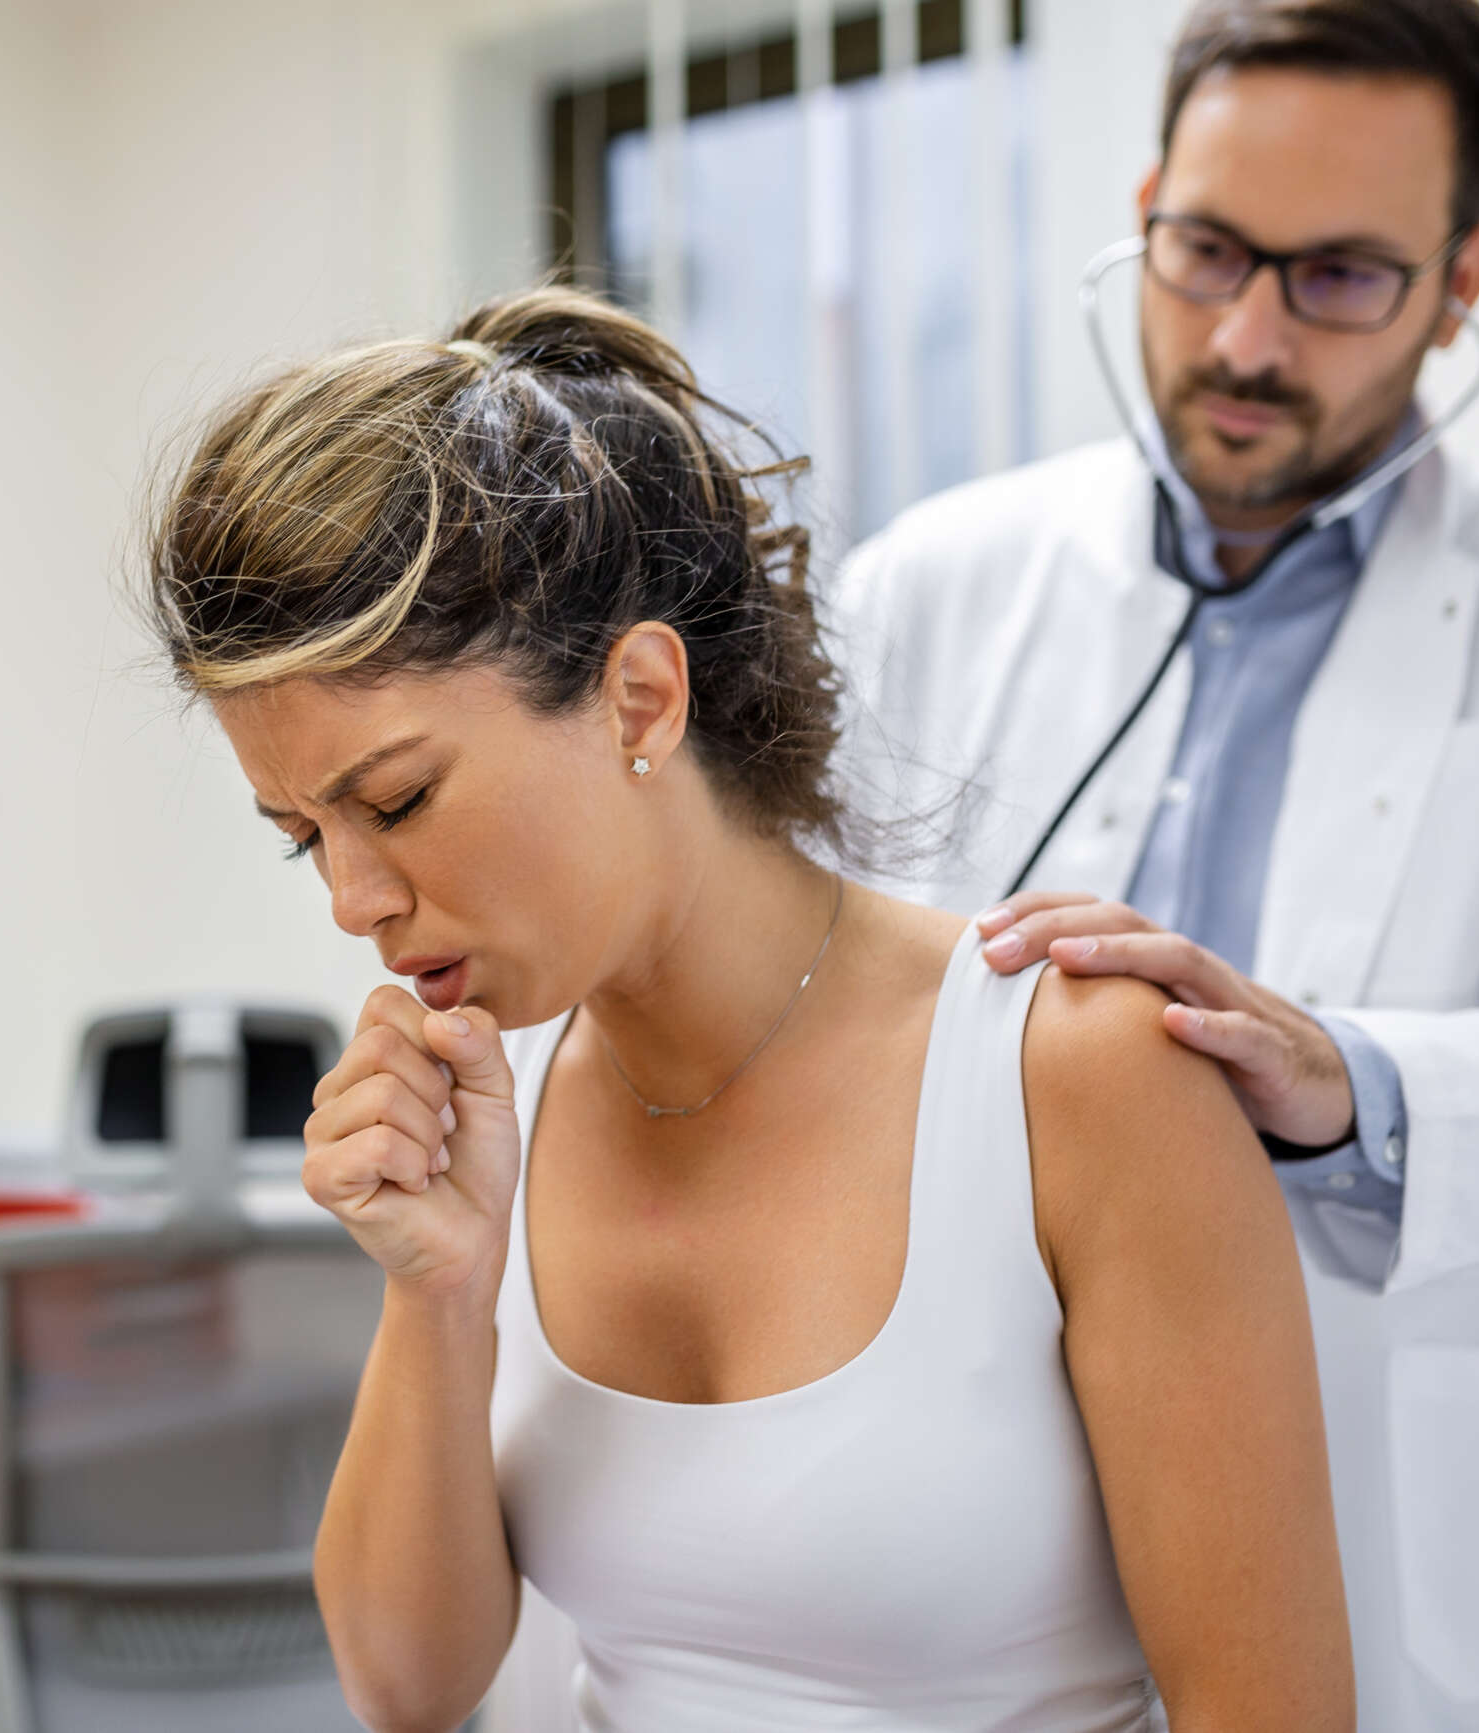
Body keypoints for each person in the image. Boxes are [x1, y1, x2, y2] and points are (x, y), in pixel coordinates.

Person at [142, 289, 1354, 1731]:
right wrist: (439, 1287)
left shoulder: (1075, 1074)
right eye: (303, 832)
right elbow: (406, 1686)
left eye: (397, 800)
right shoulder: (491, 1102)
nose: (352, 898)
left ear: (642, 699)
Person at [824, 3, 1479, 1728]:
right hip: (967, 1535)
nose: (1248, 335)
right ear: (1148, 203)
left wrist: (1351, 1081)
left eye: (1340, 276)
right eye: (1205, 253)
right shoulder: (932, 584)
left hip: (1388, 1540)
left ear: (1463, 274)